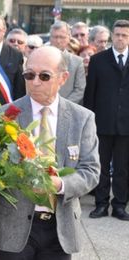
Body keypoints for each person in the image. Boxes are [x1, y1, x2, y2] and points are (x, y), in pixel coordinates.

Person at [0, 45, 100, 259]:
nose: (35, 82)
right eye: (29, 75)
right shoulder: (4, 116)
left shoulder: (82, 118)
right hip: (13, 229)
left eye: (44, 76)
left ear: (63, 78)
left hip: (60, 230)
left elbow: (91, 171)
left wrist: (60, 185)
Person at [84, 19, 129, 221]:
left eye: (125, 35)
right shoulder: (98, 60)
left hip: (126, 125)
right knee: (100, 166)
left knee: (122, 167)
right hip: (101, 123)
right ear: (112, 35)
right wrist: (88, 123)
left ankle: (120, 205)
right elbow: (90, 94)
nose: (120, 38)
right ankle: (101, 204)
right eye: (117, 34)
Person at [49, 21, 86, 104]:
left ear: (69, 38)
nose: (58, 41)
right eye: (55, 37)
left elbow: (80, 90)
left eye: (62, 37)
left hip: (67, 109)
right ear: (50, 38)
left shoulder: (77, 62)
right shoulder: (40, 57)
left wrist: (62, 105)